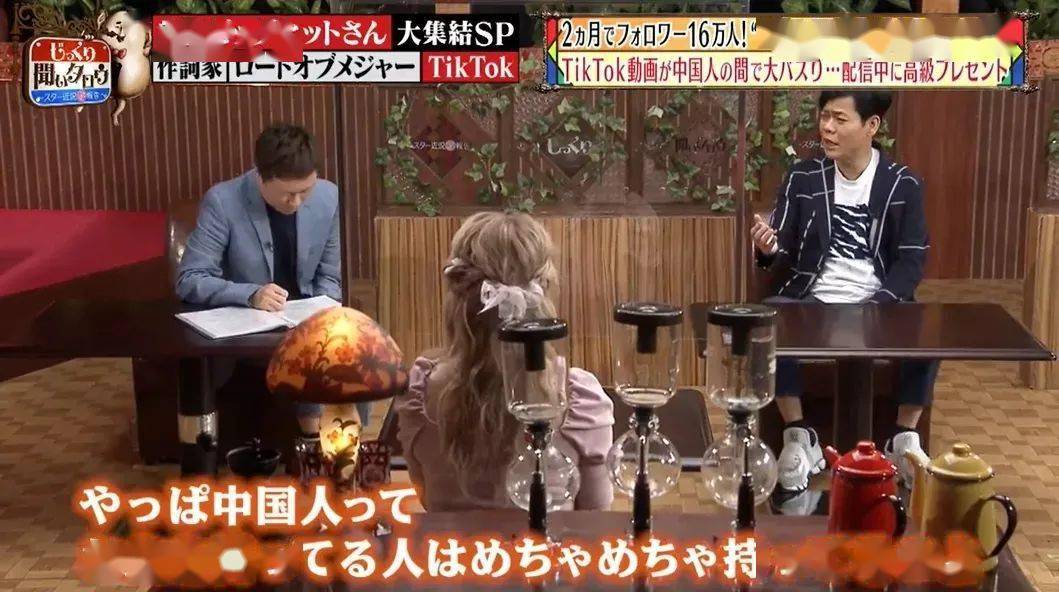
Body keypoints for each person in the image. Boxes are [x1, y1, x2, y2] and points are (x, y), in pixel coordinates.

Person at [751, 91, 938, 492]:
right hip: (813, 298)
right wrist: (768, 248)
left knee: (926, 332)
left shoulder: (903, 184)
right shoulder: (803, 177)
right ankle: (799, 436)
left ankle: (903, 439)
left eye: (839, 119)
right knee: (768, 320)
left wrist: (878, 304)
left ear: (871, 126)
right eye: (824, 117)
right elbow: (782, 245)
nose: (827, 128)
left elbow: (911, 261)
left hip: (879, 301)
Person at [394, 211, 615, 511]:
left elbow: (425, 497)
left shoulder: (418, 392)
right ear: (544, 292)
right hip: (548, 544)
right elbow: (594, 515)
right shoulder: (582, 400)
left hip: (451, 544)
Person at [176, 123, 369, 432]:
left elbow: (329, 276)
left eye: (305, 191)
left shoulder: (328, 197)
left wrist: (326, 309)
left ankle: (337, 447)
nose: (297, 202)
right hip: (250, 330)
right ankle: (312, 442)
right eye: (287, 194)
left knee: (355, 349)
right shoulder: (223, 201)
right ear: (260, 176)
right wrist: (251, 294)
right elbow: (190, 278)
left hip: (304, 319)